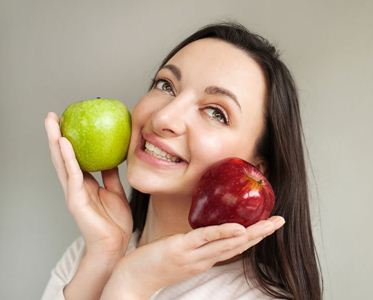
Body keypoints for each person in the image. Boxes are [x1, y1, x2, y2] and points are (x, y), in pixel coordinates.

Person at [42, 22, 323, 299]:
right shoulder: (89, 254)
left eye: (215, 112)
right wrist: (105, 256)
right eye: (165, 85)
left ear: (256, 171)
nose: (164, 118)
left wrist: (132, 284)